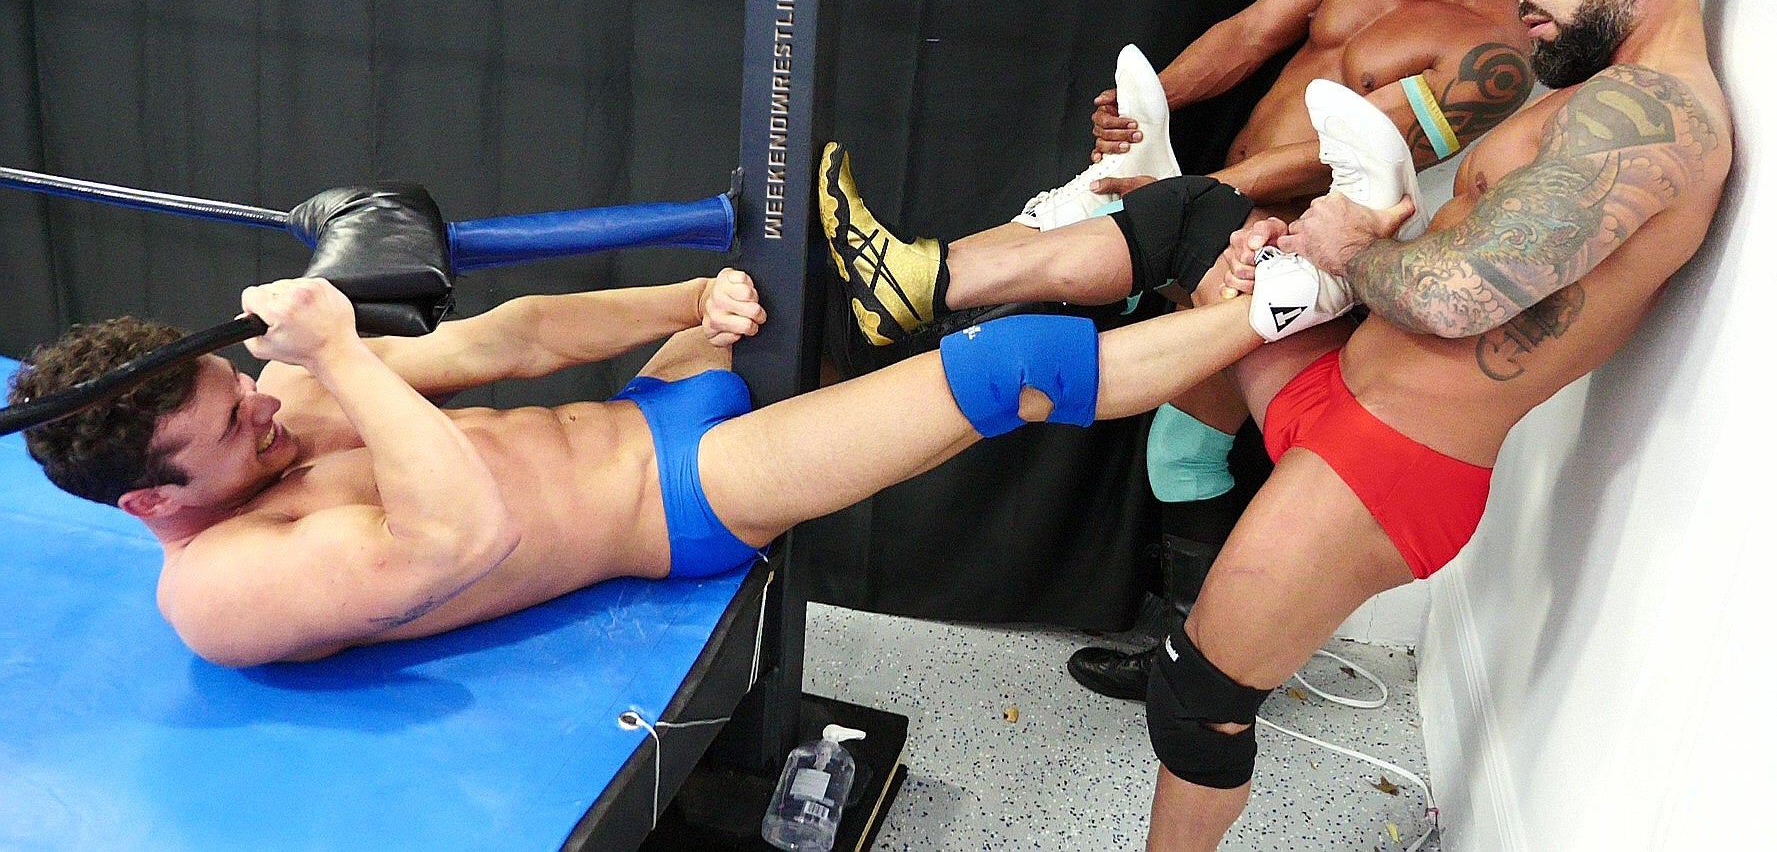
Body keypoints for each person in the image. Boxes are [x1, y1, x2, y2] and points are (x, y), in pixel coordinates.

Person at [821, 0, 1555, 702]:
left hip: (1295, 249)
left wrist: (1197, 193)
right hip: (1221, 203)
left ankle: (1192, 661)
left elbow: (1346, 152)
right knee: (1154, 387)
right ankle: (911, 296)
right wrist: (1149, 108)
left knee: (1172, 425)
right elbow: (1250, 33)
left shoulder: (1498, 57)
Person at [1140, 0, 1730, 850]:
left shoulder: (1656, 117)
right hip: (1345, 389)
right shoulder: (1602, 95)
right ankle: (958, 321)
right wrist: (1319, 247)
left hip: (1388, 462)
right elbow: (1466, 257)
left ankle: (951, 323)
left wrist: (1349, 249)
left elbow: (1459, 298)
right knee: (1198, 235)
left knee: (1199, 700)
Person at [6, 265, 1277, 669]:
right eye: (234, 428)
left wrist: (686, 300)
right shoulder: (217, 591)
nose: (265, 409)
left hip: (650, 402)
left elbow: (505, 341)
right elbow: (462, 539)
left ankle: (1209, 265)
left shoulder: (281, 403)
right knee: (1004, 375)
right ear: (153, 499)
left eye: (240, 388)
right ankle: (1284, 302)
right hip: (684, 499)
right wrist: (341, 352)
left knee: (814, 272)